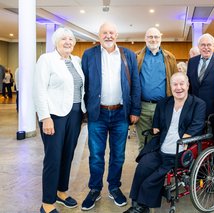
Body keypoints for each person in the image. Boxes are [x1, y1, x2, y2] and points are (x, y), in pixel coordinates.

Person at [124, 72, 206, 213]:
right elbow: (157, 119)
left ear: (188, 85)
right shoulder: (164, 102)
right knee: (143, 166)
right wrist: (156, 126)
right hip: (161, 147)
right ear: (170, 86)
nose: (178, 87)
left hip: (180, 151)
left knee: (153, 178)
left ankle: (142, 207)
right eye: (175, 84)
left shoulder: (198, 104)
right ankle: (136, 204)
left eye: (182, 84)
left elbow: (197, 125)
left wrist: (185, 138)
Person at [81, 22, 141, 211]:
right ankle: (94, 189)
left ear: (117, 35)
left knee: (118, 156)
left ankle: (114, 187)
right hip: (97, 113)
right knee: (96, 156)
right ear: (99, 35)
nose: (108, 36)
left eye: (111, 33)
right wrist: (84, 111)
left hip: (120, 114)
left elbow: (136, 85)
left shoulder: (128, 55)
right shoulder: (89, 55)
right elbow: (84, 83)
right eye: (104, 33)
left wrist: (135, 110)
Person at [33, 27, 86, 213]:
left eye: (71, 39)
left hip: (75, 114)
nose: (68, 42)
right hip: (54, 115)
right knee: (53, 158)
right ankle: (47, 202)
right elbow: (39, 90)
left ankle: (61, 192)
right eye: (64, 39)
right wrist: (45, 117)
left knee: (68, 155)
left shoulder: (76, 61)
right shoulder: (46, 60)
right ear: (56, 41)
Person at [135, 27, 177, 151]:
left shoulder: (170, 58)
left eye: (156, 37)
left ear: (160, 38)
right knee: (144, 143)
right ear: (145, 39)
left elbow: (175, 82)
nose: (153, 39)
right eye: (150, 37)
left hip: (163, 107)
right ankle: (144, 169)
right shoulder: (136, 57)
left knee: (163, 142)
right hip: (142, 108)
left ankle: (160, 170)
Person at [187, 33, 214, 155]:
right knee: (198, 143)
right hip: (196, 112)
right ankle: (201, 170)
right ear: (199, 47)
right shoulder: (192, 62)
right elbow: (190, 87)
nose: (206, 48)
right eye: (203, 45)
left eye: (209, 45)